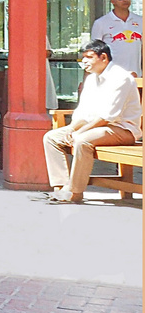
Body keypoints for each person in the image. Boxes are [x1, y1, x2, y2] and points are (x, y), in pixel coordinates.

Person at [42, 39, 142, 204]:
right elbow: (83, 112)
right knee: (51, 137)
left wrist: (79, 133)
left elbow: (108, 117)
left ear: (103, 57)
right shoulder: (91, 79)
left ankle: (75, 192)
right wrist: (72, 129)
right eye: (83, 58)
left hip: (122, 130)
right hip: (98, 128)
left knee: (82, 141)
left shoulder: (121, 78)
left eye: (89, 57)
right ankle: (61, 187)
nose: (85, 62)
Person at [90, 0, 142, 76]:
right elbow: (94, 53)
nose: (125, 0)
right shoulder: (101, 23)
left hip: (136, 77)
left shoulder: (140, 21)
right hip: (110, 77)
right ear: (112, 1)